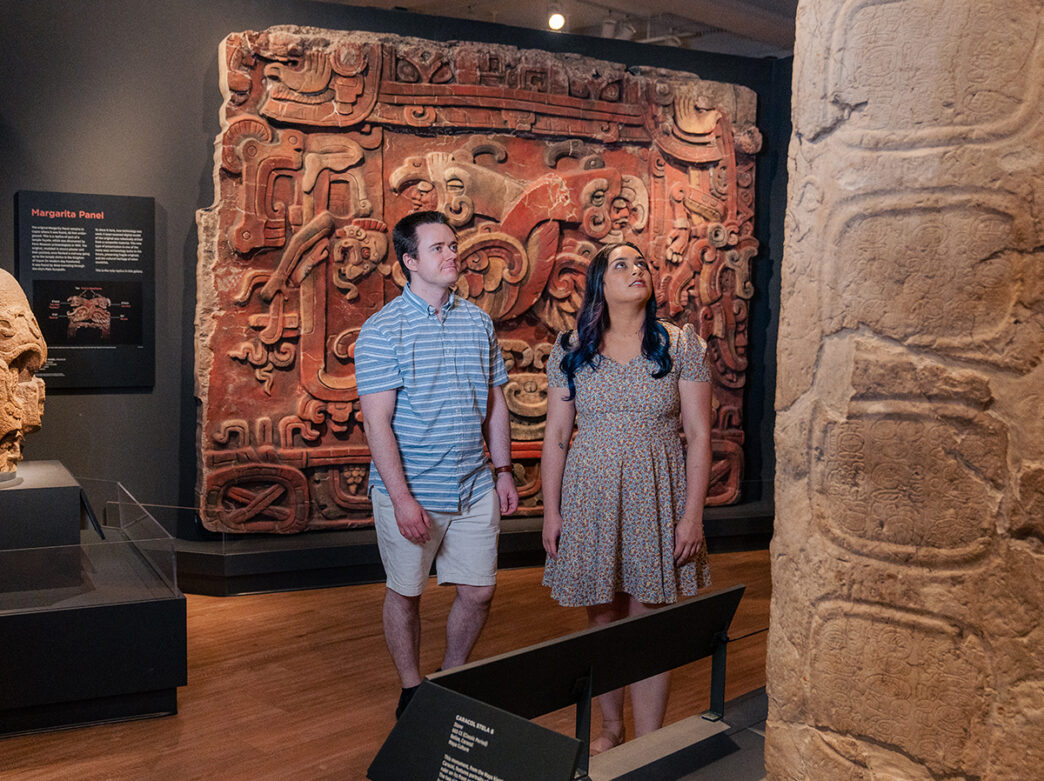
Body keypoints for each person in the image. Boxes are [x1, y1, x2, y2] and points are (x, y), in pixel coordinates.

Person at [541, 241, 712, 754]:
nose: (637, 270)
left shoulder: (681, 345)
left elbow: (700, 435)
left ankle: (651, 741)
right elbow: (555, 435)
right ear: (600, 285)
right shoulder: (571, 348)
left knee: (649, 619)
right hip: (590, 492)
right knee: (602, 616)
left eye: (642, 264)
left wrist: (693, 517)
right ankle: (611, 729)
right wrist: (551, 512)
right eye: (622, 264)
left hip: (657, 491)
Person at [355, 210, 519, 719]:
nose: (453, 255)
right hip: (412, 491)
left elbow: (495, 404)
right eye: (439, 248)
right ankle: (411, 688)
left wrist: (504, 470)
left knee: (480, 591)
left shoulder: (478, 321)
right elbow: (376, 423)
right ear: (410, 261)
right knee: (406, 593)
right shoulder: (382, 330)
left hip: (474, 485)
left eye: (453, 245)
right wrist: (402, 499)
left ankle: (448, 680)